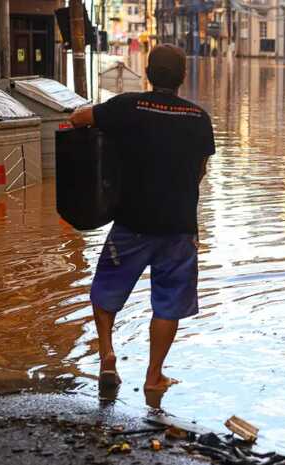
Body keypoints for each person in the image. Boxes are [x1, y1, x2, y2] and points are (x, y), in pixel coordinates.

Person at [70, 44, 215, 393]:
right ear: (183, 77)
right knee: (168, 303)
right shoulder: (199, 118)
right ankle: (154, 377)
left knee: (106, 289)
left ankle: (107, 356)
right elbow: (200, 171)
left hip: (131, 223)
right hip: (179, 228)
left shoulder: (128, 106)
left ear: (148, 74)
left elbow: (79, 119)